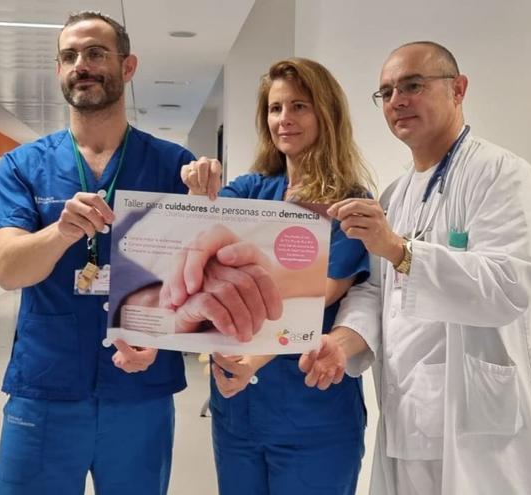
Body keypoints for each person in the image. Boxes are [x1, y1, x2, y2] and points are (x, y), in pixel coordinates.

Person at [308, 41, 531, 494]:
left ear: (458, 89)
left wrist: (400, 250)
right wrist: (341, 343)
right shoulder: (394, 194)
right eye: (386, 92)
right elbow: (374, 293)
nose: (397, 101)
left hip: (478, 425)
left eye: (413, 85)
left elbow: (509, 285)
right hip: (408, 416)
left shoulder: (502, 175)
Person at [0, 11, 196, 495]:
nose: (82, 64)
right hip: (45, 384)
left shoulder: (173, 166)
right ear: (59, 70)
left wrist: (164, 341)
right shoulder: (23, 166)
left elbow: (196, 281)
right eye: (69, 56)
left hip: (140, 389)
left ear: (128, 67)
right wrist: (59, 233)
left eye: (97, 53)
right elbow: (7, 270)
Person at [180, 58, 374, 495]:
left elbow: (318, 292)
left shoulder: (349, 203)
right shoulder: (250, 190)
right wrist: (197, 192)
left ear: (327, 114)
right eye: (275, 108)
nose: (284, 119)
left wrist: (254, 359)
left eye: (299, 106)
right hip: (238, 413)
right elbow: (201, 244)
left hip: (312, 415)